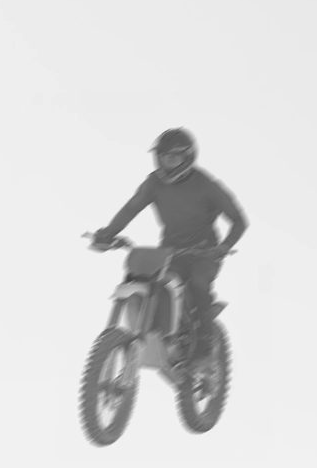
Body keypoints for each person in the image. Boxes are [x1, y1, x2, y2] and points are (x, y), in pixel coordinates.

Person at [90, 129, 248, 364]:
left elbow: (239, 220)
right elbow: (131, 208)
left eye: (173, 157)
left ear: (187, 157)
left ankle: (204, 350)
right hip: (170, 250)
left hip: (204, 252)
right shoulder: (154, 183)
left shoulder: (205, 184)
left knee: (198, 283)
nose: (167, 163)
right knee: (149, 281)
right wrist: (109, 233)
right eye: (163, 157)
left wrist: (223, 247)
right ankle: (160, 338)